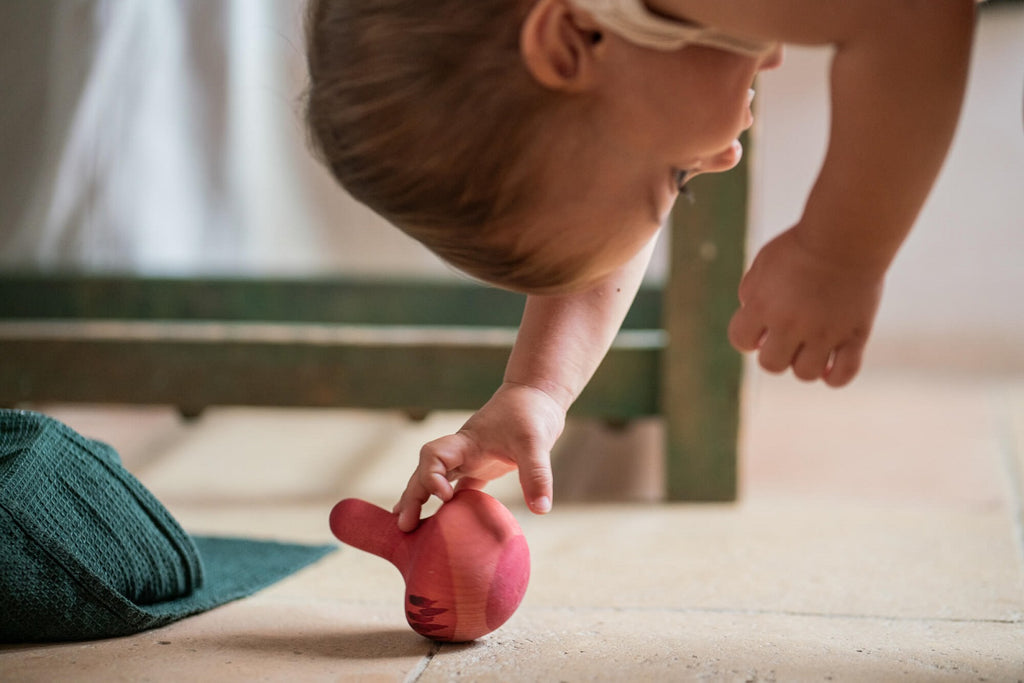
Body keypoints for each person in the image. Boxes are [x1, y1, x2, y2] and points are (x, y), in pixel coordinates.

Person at [304, 0, 977, 530]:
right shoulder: (605, 29)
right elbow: (603, 223)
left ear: (570, 41)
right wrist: (539, 388)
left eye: (672, 178)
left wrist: (839, 256)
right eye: (681, 180)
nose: (721, 161)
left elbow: (913, 13)